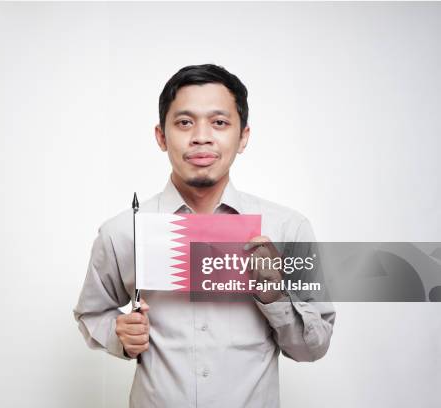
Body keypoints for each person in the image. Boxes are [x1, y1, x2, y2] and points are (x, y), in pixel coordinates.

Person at [73, 64, 335, 407]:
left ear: (243, 137)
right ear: (161, 136)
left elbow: (312, 349)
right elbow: (92, 313)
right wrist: (118, 333)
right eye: (184, 122)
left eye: (219, 122)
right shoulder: (123, 232)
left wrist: (274, 297)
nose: (201, 136)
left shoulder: (287, 229)